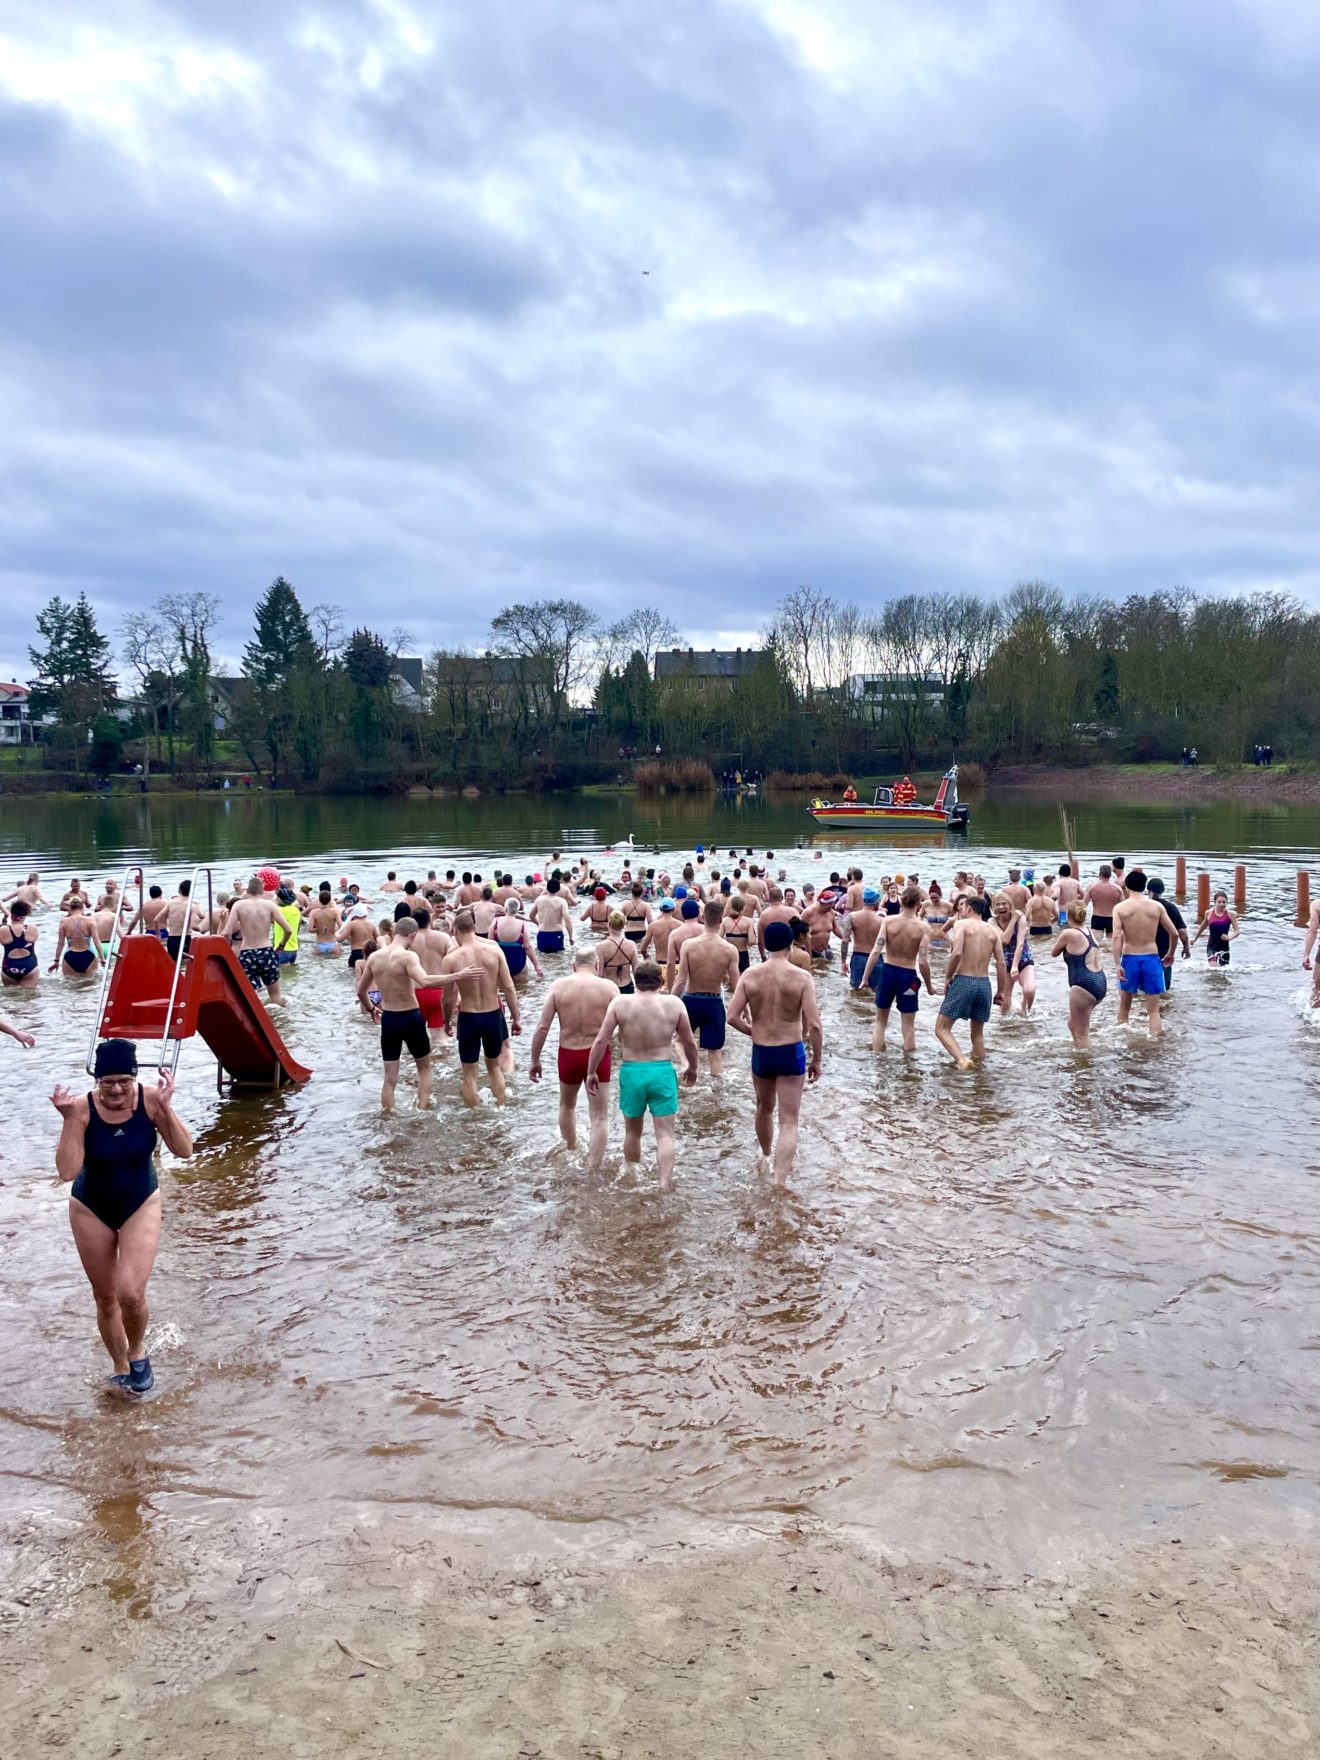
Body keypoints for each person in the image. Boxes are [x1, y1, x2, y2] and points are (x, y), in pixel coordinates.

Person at [51, 1039, 193, 1396]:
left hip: (140, 1201)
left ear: (134, 1078)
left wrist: (166, 1107)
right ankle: (119, 1366)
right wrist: (69, 1121)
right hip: (90, 1206)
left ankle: (138, 1352)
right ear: (97, 1081)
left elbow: (185, 1150)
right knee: (105, 1295)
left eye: (124, 1081)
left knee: (130, 1293)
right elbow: (68, 1171)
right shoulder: (81, 1109)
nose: (116, 1089)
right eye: (107, 1081)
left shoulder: (149, 1102)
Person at [586, 961, 698, 1192]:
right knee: (665, 1135)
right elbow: (688, 1041)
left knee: (632, 1133)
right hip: (661, 1071)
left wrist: (591, 1071)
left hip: (632, 1071)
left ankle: (631, 1179)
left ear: (635, 980)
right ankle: (664, 1184)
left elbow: (601, 1040)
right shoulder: (674, 1004)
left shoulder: (620, 1003)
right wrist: (693, 1068)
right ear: (660, 981)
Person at [727, 921, 822, 1184]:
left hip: (762, 1051)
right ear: (791, 944)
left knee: (763, 1108)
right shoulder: (802, 977)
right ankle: (779, 1182)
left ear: (766, 945)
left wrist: (753, 1032)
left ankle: (766, 1156)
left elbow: (732, 1017)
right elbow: (813, 1024)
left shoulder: (750, 975)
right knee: (789, 1121)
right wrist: (817, 1059)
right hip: (790, 1050)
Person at [528, 947, 619, 1163]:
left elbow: (542, 1027)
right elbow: (624, 1023)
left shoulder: (559, 987)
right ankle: (594, 1166)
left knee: (566, 1105)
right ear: (597, 965)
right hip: (597, 1056)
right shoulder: (609, 988)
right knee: (599, 1116)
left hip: (568, 1054)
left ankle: (571, 1150)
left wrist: (535, 1059)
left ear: (573, 965)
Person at [440, 910, 523, 1105]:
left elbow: (447, 997)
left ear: (455, 931)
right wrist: (516, 1018)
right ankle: (501, 1106)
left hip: (469, 1017)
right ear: (474, 928)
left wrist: (446, 1021)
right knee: (494, 1067)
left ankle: (474, 1115)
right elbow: (509, 987)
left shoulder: (451, 959)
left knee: (469, 1073)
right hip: (493, 1015)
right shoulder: (494, 950)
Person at [935, 899, 1008, 1069]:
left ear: (968, 908)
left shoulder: (962, 924)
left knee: (941, 1029)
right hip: (984, 984)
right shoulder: (992, 931)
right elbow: (1001, 963)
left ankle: (962, 1060)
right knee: (977, 1035)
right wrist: (1001, 991)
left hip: (964, 980)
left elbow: (957, 952)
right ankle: (980, 1074)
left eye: (963, 906)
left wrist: (948, 976)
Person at [672, 900, 739, 1077]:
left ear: (703, 918)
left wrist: (670, 1001)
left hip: (691, 1000)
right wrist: (745, 1010)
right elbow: (736, 984)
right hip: (714, 1002)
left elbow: (680, 979)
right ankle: (717, 1095)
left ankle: (686, 1065)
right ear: (721, 920)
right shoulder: (730, 949)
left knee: (679, 1041)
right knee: (715, 1052)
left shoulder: (689, 945)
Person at [864, 885, 933, 1052]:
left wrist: (865, 978)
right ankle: (909, 1067)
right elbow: (923, 962)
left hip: (887, 972)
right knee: (908, 1026)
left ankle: (877, 1061)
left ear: (901, 901)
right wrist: (930, 986)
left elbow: (876, 951)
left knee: (880, 1022)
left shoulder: (888, 921)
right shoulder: (923, 928)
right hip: (908, 976)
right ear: (919, 904)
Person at [1112, 869, 1177, 1036]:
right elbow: (1174, 933)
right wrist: (1170, 953)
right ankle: (1155, 1043)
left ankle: (1121, 1043)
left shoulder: (1120, 908)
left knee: (1124, 1008)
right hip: (1151, 958)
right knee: (1154, 1011)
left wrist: (1117, 964)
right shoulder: (1157, 906)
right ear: (1144, 887)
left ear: (1126, 886)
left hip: (1129, 958)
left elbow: (1117, 936)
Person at [221, 877, 293, 1003]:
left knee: (251, 996)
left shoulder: (238, 905)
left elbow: (226, 933)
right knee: (275, 995)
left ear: (248, 890)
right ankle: (279, 1021)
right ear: (262, 890)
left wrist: (226, 953)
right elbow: (288, 930)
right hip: (266, 952)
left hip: (247, 953)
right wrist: (281, 945)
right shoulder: (270, 905)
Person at [1051, 901, 1107, 1047]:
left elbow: (1054, 953)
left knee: (1082, 1033)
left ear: (1069, 916)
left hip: (1084, 984)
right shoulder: (1090, 932)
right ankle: (1078, 1055)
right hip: (1099, 982)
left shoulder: (1069, 933)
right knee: (1072, 1023)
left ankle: (1086, 1066)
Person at [992, 891, 1036, 1014]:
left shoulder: (1021, 918)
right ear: (994, 907)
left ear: (1010, 904)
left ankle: (1025, 1011)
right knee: (1004, 1006)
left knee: (1029, 990)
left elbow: (1020, 943)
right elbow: (1004, 940)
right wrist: (1013, 920)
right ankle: (1007, 1028)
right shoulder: (992, 922)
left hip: (1023, 960)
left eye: (1004, 904)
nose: (1001, 907)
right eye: (998, 904)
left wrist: (1015, 966)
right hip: (1004, 963)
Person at [1146, 877, 1190, 990]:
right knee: (1164, 989)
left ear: (1148, 890)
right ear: (1163, 891)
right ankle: (1164, 1007)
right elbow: (1182, 932)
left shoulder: (1143, 907)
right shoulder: (1171, 908)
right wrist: (1186, 948)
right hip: (1164, 954)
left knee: (1143, 990)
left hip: (1144, 952)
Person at [841, 888, 885, 993]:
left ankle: (856, 1009)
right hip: (876, 959)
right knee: (876, 991)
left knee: (857, 991)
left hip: (858, 958)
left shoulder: (852, 917)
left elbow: (845, 940)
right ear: (876, 902)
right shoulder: (882, 921)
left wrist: (843, 962)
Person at [493, 896, 543, 984]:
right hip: (518, 961)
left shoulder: (496, 921)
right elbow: (528, 947)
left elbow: (490, 944)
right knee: (521, 991)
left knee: (502, 991)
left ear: (505, 908)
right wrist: (536, 966)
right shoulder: (522, 925)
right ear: (517, 910)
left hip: (500, 962)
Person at [49, 898, 104, 977]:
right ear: (82, 907)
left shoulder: (63, 921)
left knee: (71, 986)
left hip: (70, 956)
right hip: (88, 955)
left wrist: (56, 961)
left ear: (70, 908)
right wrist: (102, 959)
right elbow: (96, 940)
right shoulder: (90, 920)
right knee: (90, 985)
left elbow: (60, 943)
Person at [1190, 890, 1240, 968]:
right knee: (1213, 968)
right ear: (1215, 902)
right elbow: (1202, 927)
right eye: (1219, 902)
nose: (1222, 904)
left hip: (1224, 947)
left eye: (1224, 902)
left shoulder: (1230, 914)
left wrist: (1229, 937)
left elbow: (1237, 931)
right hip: (1211, 946)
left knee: (1223, 971)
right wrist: (1195, 939)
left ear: (1227, 903)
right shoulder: (1208, 913)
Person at [596, 910, 640, 993]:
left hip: (609, 987)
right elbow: (635, 970)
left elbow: (600, 974)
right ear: (624, 925)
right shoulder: (631, 945)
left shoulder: (601, 947)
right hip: (627, 985)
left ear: (608, 925)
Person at [164, 879, 206, 963]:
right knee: (186, 964)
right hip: (185, 938)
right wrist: (202, 930)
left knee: (174, 964)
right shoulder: (193, 906)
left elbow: (160, 918)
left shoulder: (170, 903)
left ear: (179, 890)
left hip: (171, 938)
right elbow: (197, 923)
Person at [1, 900, 40, 987]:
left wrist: (3, 926)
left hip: (9, 966)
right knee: (30, 997)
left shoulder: (3, 930)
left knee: (10, 998)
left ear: (11, 913)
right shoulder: (32, 928)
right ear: (25, 915)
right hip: (29, 965)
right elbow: (33, 939)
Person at [531, 878, 574, 954]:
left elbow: (531, 915)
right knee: (558, 959)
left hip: (542, 934)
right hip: (556, 934)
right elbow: (567, 919)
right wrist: (571, 937)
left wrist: (539, 924)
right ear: (558, 889)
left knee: (543, 960)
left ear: (547, 888)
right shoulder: (562, 901)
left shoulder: (539, 900)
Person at [1083, 864, 1124, 938]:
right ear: (1110, 875)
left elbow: (1083, 905)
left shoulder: (1092, 887)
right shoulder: (1117, 889)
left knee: (1097, 944)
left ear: (1100, 874)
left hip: (1097, 918)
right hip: (1112, 918)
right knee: (1111, 944)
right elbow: (1124, 907)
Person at [310, 887, 342, 955]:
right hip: (333, 944)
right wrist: (333, 928)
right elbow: (342, 927)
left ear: (319, 900)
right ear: (330, 900)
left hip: (319, 945)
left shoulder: (313, 912)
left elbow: (310, 930)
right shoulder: (335, 911)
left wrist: (319, 928)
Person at [1303, 898, 1320, 1008]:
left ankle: (1311, 1021)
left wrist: (1306, 954)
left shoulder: (1317, 904)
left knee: (1317, 988)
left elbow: (1312, 930)